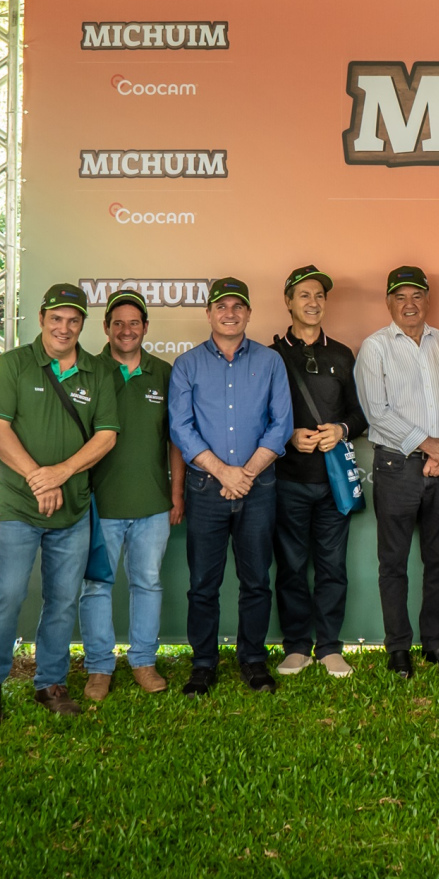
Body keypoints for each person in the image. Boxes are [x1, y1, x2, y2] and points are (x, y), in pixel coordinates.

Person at [0, 283, 122, 722]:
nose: (64, 327)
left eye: (73, 320)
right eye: (56, 318)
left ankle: (51, 683)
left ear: (82, 325)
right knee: (8, 595)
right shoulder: (13, 364)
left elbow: (106, 435)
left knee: (62, 599)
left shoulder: (98, 372)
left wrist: (60, 474)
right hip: (20, 504)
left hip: (73, 508)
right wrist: (40, 480)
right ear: (41, 319)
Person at [168, 277, 294, 696]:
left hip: (258, 488)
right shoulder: (187, 365)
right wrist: (225, 473)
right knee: (203, 583)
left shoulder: (270, 361)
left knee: (256, 580)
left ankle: (253, 661)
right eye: (221, 306)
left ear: (249, 314)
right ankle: (202, 664)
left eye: (238, 306)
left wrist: (246, 474)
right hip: (207, 489)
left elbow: (282, 426)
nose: (230, 313)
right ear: (208, 314)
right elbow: (181, 429)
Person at [355, 266, 439, 679]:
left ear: (427, 300)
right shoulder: (375, 347)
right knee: (393, 563)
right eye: (400, 297)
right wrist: (428, 443)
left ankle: (436, 644)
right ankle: (398, 648)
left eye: (416, 295)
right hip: (396, 466)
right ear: (388, 302)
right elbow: (375, 412)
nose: (409, 304)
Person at [77, 289, 184, 699]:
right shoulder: (88, 371)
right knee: (97, 587)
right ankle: (99, 667)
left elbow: (175, 440)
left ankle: (143, 661)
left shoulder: (164, 373)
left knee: (148, 584)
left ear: (145, 329)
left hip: (153, 504)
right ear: (105, 328)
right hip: (99, 504)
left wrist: (177, 493)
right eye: (117, 323)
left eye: (134, 323)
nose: (126, 330)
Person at [269, 266, 368, 680]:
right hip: (287, 479)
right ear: (288, 301)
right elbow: (260, 416)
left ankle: (328, 647)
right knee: (291, 566)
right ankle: (296, 647)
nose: (313, 302)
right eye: (304, 295)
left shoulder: (342, 354)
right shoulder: (270, 356)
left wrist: (340, 429)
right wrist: (288, 436)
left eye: (319, 296)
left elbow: (359, 415)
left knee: (332, 567)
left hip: (333, 483)